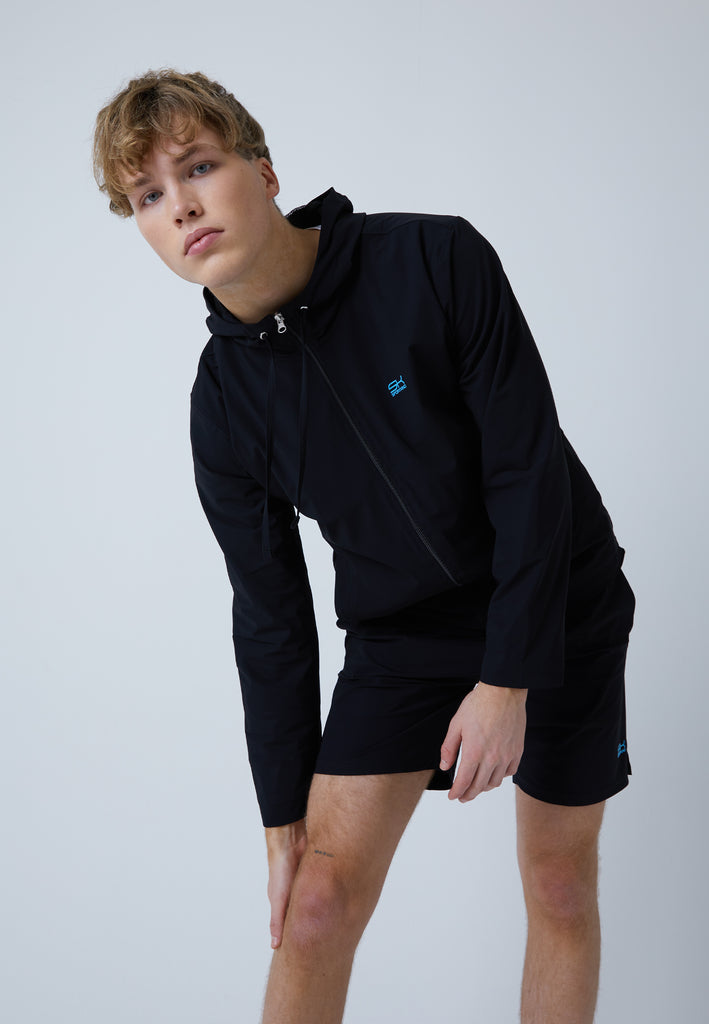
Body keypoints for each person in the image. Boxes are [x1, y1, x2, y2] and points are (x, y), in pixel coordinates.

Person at [93, 69, 636, 1024]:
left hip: (554, 597)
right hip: (402, 636)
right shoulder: (222, 404)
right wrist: (280, 820)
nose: (179, 207)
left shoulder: (433, 258)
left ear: (264, 171)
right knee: (313, 909)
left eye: (199, 167)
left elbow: (527, 471)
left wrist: (507, 678)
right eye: (147, 196)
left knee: (557, 885)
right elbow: (269, 616)